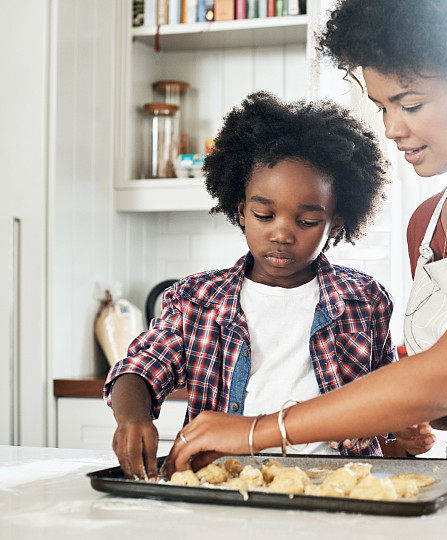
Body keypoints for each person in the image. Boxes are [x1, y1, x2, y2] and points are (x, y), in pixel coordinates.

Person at [167, 0, 447, 474]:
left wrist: (257, 430)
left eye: (411, 104)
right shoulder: (425, 224)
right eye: (382, 107)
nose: (390, 129)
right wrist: (408, 419)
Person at [105, 91, 415, 480]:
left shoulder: (364, 299)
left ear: (336, 223)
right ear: (240, 210)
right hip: (226, 481)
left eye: (306, 222)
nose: (282, 233)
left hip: (337, 483)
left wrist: (403, 438)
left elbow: (384, 409)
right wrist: (132, 417)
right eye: (264, 214)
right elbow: (139, 368)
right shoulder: (196, 300)